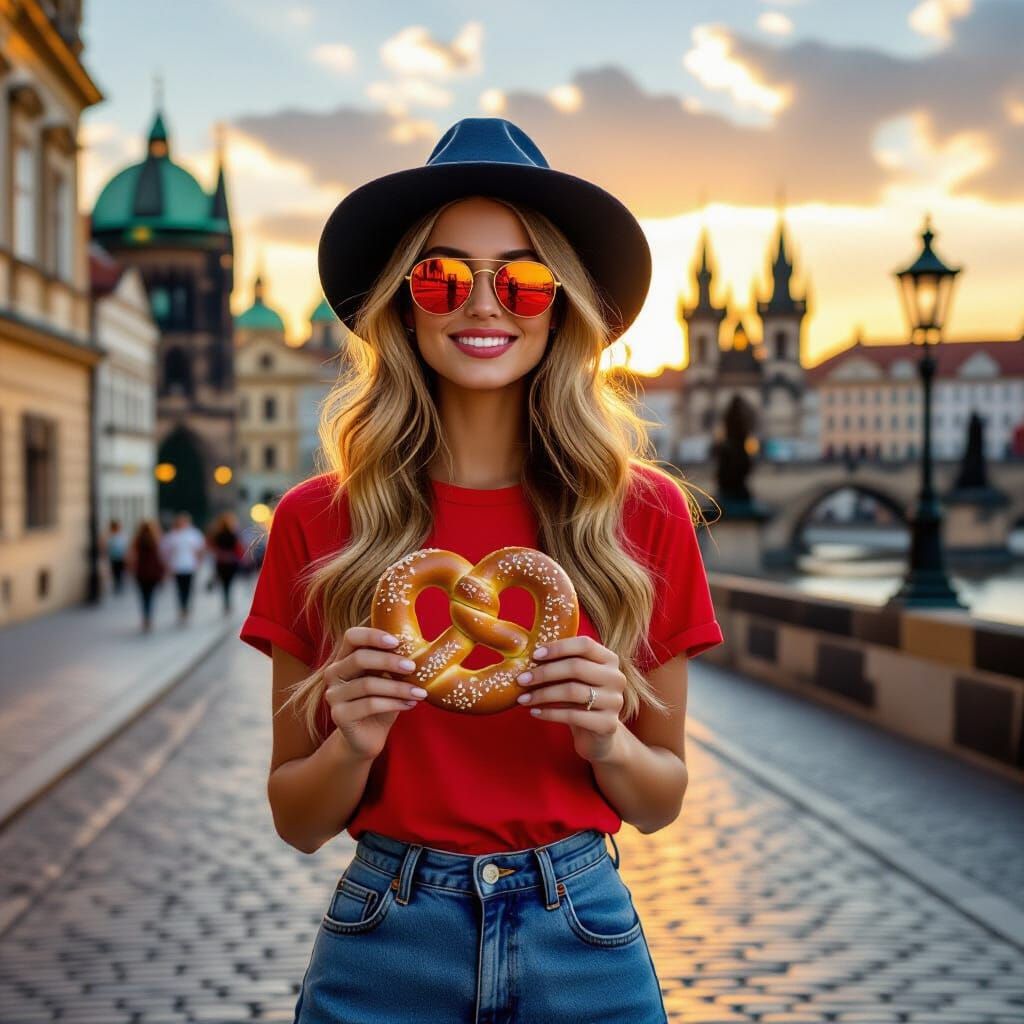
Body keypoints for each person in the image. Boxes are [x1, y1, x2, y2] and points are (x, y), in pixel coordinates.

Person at [239, 117, 723, 1024]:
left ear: (565, 306)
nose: (484, 303)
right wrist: (352, 739)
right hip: (384, 938)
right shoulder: (319, 519)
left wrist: (609, 738)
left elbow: (659, 801)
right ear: (404, 302)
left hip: (582, 932)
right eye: (443, 274)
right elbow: (297, 818)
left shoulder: (643, 514)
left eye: (527, 280)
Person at [159, 511, 208, 625]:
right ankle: (182, 607)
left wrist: (199, 561)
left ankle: (186, 607)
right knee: (179, 588)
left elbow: (200, 549)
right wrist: (167, 564)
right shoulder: (173, 535)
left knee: (188, 588)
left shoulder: (193, 534)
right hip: (176, 566)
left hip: (190, 566)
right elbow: (166, 551)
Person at [126, 519, 166, 633]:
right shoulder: (157, 539)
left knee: (143, 596)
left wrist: (131, 569)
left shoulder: (137, 540)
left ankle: (145, 617)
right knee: (151, 596)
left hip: (141, 572)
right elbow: (162, 556)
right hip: (153, 572)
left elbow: (131, 557)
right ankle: (149, 617)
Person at [207, 511, 244, 615]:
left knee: (224, 583)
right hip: (231, 562)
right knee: (229, 583)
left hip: (221, 562)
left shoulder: (217, 534)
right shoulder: (233, 534)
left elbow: (212, 546)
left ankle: (226, 602)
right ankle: (228, 602)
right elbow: (238, 548)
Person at [104, 518, 128, 594]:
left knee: (120, 572)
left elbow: (125, 546)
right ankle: (117, 585)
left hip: (121, 557)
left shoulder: (122, 535)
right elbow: (106, 546)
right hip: (113, 557)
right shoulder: (109, 535)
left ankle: (120, 585)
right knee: (115, 573)